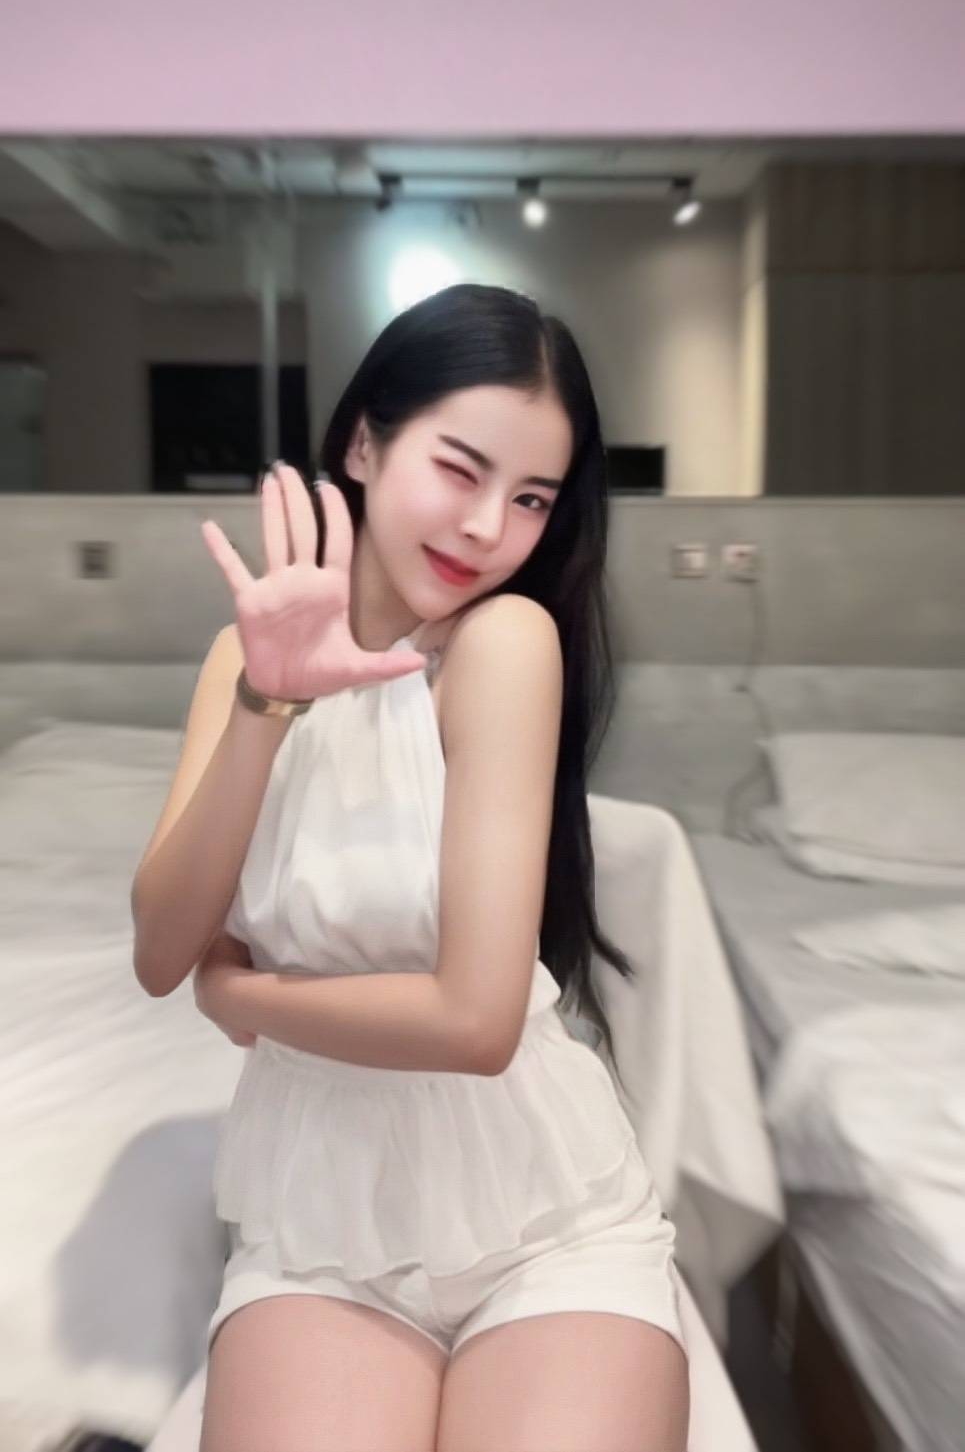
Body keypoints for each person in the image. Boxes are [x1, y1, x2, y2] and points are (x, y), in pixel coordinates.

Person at [131, 282, 690, 1452]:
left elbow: (475, 1020)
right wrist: (268, 698)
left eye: (530, 497)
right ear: (362, 442)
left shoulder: (503, 641)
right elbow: (161, 947)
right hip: (320, 1218)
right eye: (458, 467)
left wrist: (243, 992)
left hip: (540, 1218)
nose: (488, 526)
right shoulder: (242, 660)